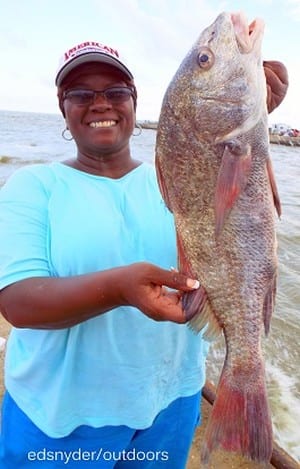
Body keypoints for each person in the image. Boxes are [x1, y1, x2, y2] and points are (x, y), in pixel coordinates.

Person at [0, 41, 288, 468]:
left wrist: (248, 116)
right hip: (59, 419)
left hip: (171, 404)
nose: (101, 104)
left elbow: (236, 209)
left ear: (134, 102)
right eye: (81, 94)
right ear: (63, 108)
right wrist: (119, 288)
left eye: (115, 92)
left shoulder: (176, 177)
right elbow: (17, 302)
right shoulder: (33, 186)